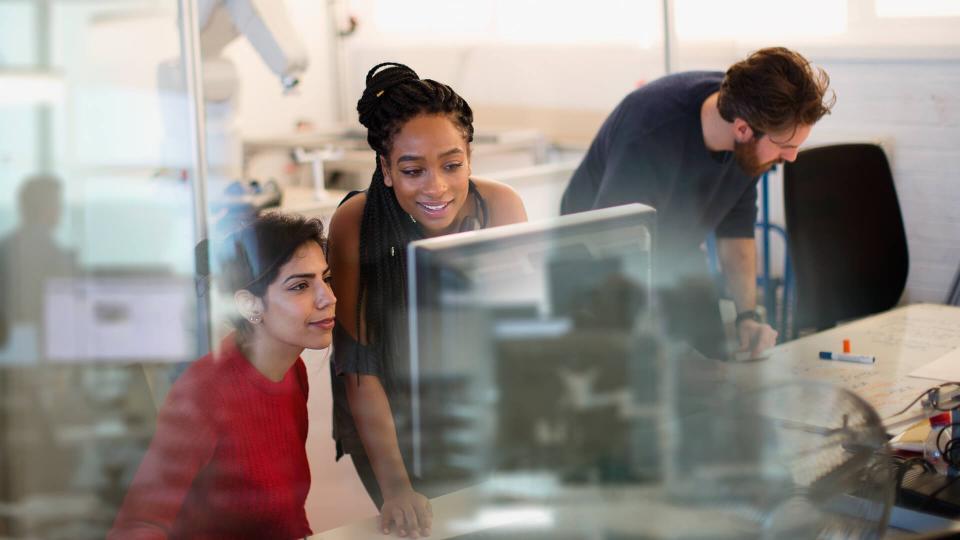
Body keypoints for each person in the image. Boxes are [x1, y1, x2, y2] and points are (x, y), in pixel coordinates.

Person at [327, 62, 527, 538]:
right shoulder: (355, 223)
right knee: (417, 522)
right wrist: (396, 485)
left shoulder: (500, 209)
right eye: (413, 170)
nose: (436, 187)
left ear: (470, 157)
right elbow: (359, 367)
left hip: (467, 399)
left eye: (451, 165)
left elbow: (517, 345)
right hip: (384, 410)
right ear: (386, 170)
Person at [560, 47, 834, 358]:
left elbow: (737, 230)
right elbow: (612, 250)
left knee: (715, 358)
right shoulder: (649, 137)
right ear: (743, 129)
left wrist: (747, 317)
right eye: (786, 146)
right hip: (595, 260)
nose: (792, 157)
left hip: (675, 249)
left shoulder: (753, 121)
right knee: (660, 375)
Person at [109, 213, 336, 539]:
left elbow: (287, 513)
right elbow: (136, 527)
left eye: (325, 279)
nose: (328, 297)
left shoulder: (292, 372)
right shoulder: (205, 393)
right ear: (249, 305)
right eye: (300, 286)